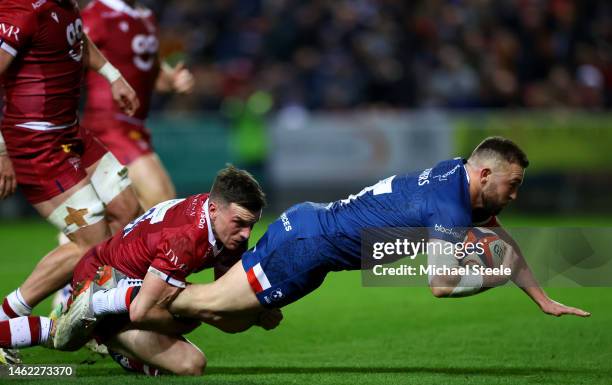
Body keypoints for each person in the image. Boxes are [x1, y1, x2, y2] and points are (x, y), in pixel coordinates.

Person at [74, 136, 590, 337]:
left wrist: (541, 298)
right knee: (207, 305)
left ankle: (115, 319)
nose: (515, 195)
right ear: (484, 176)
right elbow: (440, 283)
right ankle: (107, 301)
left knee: (229, 320)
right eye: (512, 184)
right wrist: (494, 276)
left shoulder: (458, 176)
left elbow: (500, 238)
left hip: (311, 233)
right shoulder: (449, 204)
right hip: (309, 248)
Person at [0, 166, 272, 375]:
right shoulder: (186, 237)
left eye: (251, 224)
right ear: (213, 209)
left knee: (192, 359)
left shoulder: (222, 220)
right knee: (64, 338)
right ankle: (100, 314)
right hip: (101, 277)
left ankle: (110, 335)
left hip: (131, 283)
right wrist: (196, 316)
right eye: (240, 223)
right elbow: (142, 311)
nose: (245, 233)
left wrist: (254, 310)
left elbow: (226, 295)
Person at [0, 0, 143, 363]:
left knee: (128, 213)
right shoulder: (20, 11)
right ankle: (8, 317)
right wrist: (3, 150)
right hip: (35, 142)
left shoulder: (66, 5)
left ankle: (97, 317)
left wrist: (113, 75)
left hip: (69, 132)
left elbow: (77, 42)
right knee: (89, 246)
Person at [81, 0, 195, 209]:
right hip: (109, 124)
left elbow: (152, 74)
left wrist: (173, 80)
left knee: (125, 216)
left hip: (134, 124)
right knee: (162, 200)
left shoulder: (146, 16)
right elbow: (68, 56)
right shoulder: (97, 14)